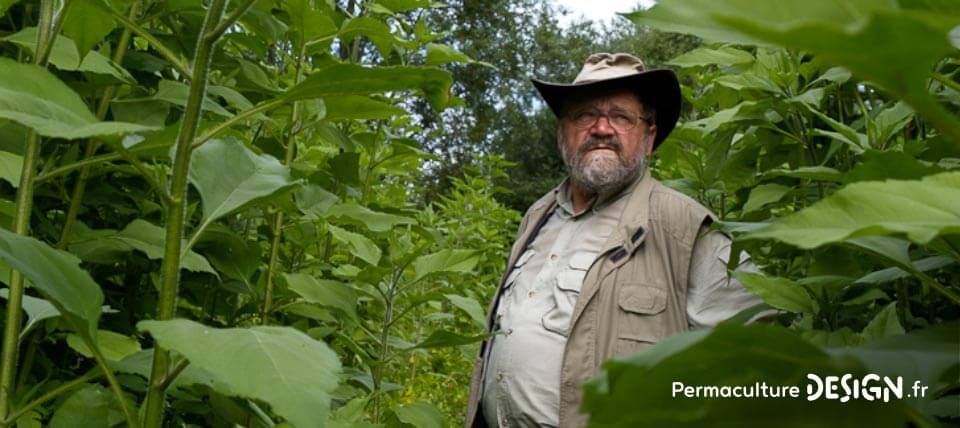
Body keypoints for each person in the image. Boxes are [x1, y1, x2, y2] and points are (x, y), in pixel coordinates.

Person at [464, 53, 765, 428]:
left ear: (649, 136)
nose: (602, 128)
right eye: (585, 115)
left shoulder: (684, 227)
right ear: (563, 132)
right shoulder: (538, 216)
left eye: (621, 117)